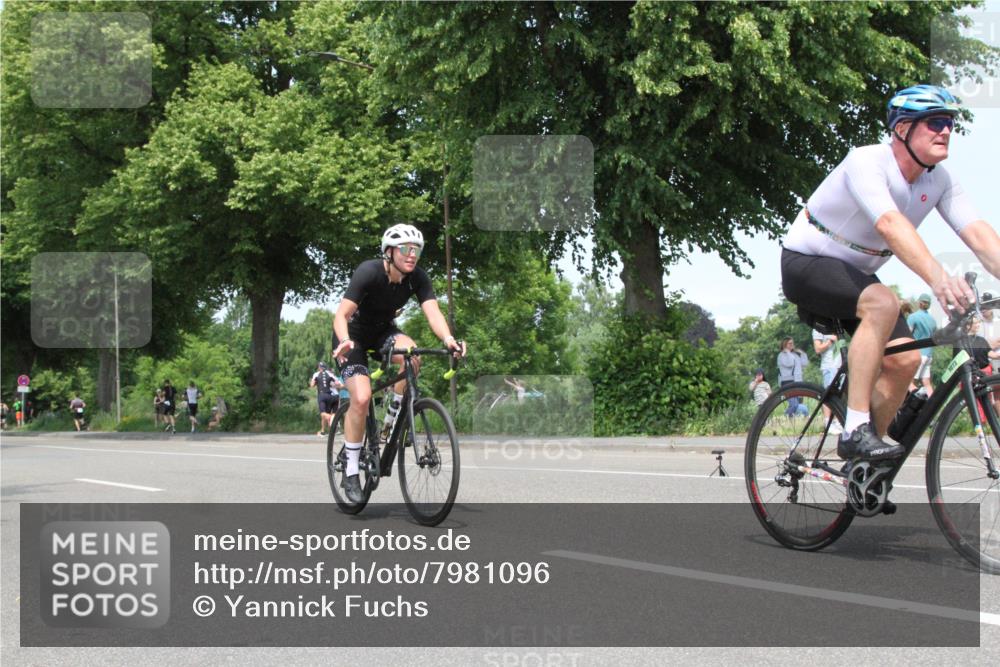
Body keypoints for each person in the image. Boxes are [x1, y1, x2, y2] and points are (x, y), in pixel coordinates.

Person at [781, 84, 1000, 462]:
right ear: (902, 129)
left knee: (905, 361)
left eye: (949, 122)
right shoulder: (866, 161)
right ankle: (854, 428)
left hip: (856, 276)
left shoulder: (940, 180)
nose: (945, 130)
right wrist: (938, 278)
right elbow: (889, 224)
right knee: (883, 302)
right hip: (806, 262)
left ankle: (865, 465)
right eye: (934, 122)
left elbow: (979, 235)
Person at [331, 224, 466, 503]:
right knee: (362, 397)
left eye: (416, 249)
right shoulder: (368, 272)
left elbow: (433, 313)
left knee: (413, 356)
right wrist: (344, 340)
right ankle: (352, 471)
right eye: (405, 249)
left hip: (383, 332)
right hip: (352, 337)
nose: (411, 254)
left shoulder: (417, 278)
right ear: (389, 252)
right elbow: (341, 315)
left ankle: (390, 422)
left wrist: (449, 339)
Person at [813, 328, 844, 434]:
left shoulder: (835, 328)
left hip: (839, 365)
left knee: (837, 395)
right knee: (828, 394)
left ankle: (836, 421)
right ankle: (827, 423)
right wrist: (830, 341)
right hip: (829, 366)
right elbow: (817, 349)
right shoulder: (818, 330)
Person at [907, 293, 938, 397]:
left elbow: (907, 335)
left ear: (919, 303)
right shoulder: (933, 320)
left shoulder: (913, 317)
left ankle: (913, 404)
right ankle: (932, 405)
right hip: (928, 355)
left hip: (917, 354)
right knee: (927, 383)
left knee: (909, 382)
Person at [777, 337, 810, 417]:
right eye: (790, 343)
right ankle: (784, 417)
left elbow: (805, 363)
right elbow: (790, 363)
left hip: (798, 381)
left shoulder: (795, 355)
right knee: (794, 405)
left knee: (798, 404)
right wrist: (788, 352)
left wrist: (802, 353)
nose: (792, 345)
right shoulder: (781, 355)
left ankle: (792, 421)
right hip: (787, 382)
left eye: (792, 343)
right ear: (785, 344)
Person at [310, 361, 343, 437]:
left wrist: (315, 383)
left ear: (319, 368)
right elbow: (339, 384)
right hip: (332, 396)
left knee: (323, 414)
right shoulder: (330, 374)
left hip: (322, 395)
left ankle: (330, 422)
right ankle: (326, 430)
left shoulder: (316, 374)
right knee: (332, 413)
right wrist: (335, 386)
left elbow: (312, 385)